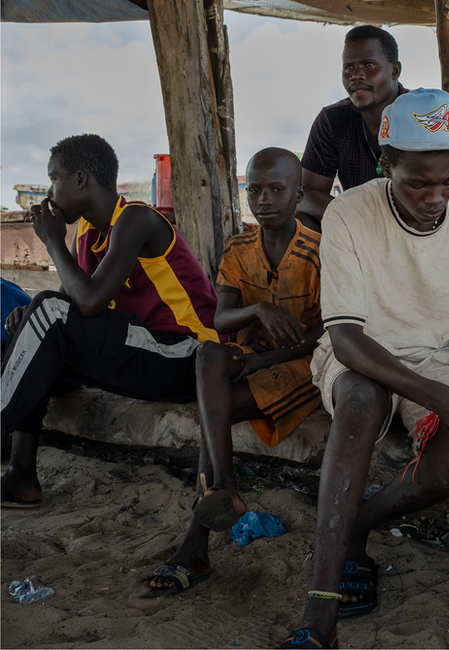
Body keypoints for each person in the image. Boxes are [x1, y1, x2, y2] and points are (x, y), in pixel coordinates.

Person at [279, 88, 449, 649]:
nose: (436, 196)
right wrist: (438, 397)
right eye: (418, 182)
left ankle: (358, 524)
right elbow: (347, 337)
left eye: (448, 180)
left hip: (440, 355)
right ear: (386, 164)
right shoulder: (349, 213)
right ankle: (321, 605)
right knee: (363, 399)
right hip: (364, 351)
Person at [139, 148, 323, 597]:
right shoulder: (239, 248)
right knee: (208, 354)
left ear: (298, 194)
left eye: (277, 189)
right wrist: (258, 310)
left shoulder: (320, 252)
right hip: (249, 361)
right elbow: (221, 319)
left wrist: (265, 359)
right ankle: (224, 484)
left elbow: (328, 331)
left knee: (213, 414)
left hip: (301, 368)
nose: (264, 199)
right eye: (254, 189)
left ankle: (196, 542)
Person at [0, 134, 219, 509]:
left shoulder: (136, 218)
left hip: (186, 356)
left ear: (80, 179)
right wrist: (31, 314)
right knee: (30, 321)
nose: (50, 193)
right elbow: (68, 301)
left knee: (47, 310)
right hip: (139, 353)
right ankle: (22, 475)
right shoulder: (85, 232)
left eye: (55, 179)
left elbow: (87, 303)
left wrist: (52, 242)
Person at [297, 25, 408, 231]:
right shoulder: (332, 120)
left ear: (395, 70)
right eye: (349, 67)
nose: (356, 75)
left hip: (416, 225)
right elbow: (306, 195)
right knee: (302, 222)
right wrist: (358, 218)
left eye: (368, 64)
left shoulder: (419, 114)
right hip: (358, 229)